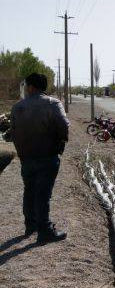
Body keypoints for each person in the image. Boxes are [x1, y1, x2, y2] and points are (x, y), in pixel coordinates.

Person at [10, 72, 69, 243]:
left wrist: (21, 150)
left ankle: (30, 225)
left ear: (30, 87)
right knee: (43, 194)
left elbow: (12, 132)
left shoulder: (18, 106)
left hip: (26, 157)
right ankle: (44, 231)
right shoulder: (53, 103)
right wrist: (60, 141)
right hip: (48, 156)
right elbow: (64, 126)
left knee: (29, 191)